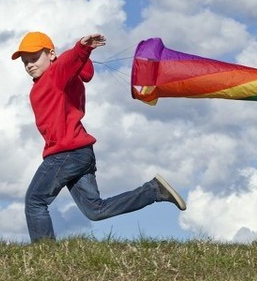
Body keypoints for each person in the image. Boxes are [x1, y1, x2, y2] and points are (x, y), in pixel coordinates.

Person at [12, 30, 186, 242]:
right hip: (80, 154)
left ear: (51, 54)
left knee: (35, 201)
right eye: (25, 62)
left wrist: (82, 48)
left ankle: (43, 256)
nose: (29, 65)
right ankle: (153, 191)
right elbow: (72, 66)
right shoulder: (52, 80)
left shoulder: (56, 74)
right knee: (95, 210)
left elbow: (68, 61)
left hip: (67, 153)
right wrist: (81, 54)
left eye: (33, 58)